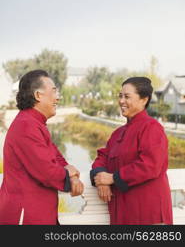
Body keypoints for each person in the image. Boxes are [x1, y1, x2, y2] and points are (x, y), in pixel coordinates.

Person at [0, 70, 84, 225]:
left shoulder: (34, 123)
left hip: (39, 213)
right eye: (54, 91)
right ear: (38, 95)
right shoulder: (26, 126)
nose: (58, 97)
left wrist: (68, 171)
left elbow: (55, 155)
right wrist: (68, 176)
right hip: (26, 216)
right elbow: (46, 171)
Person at [90, 77, 173, 225]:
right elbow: (102, 157)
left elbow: (150, 165)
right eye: (120, 96)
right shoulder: (118, 133)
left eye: (127, 96)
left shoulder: (151, 128)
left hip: (148, 214)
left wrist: (113, 178)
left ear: (144, 100)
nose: (121, 101)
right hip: (123, 213)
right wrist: (101, 178)